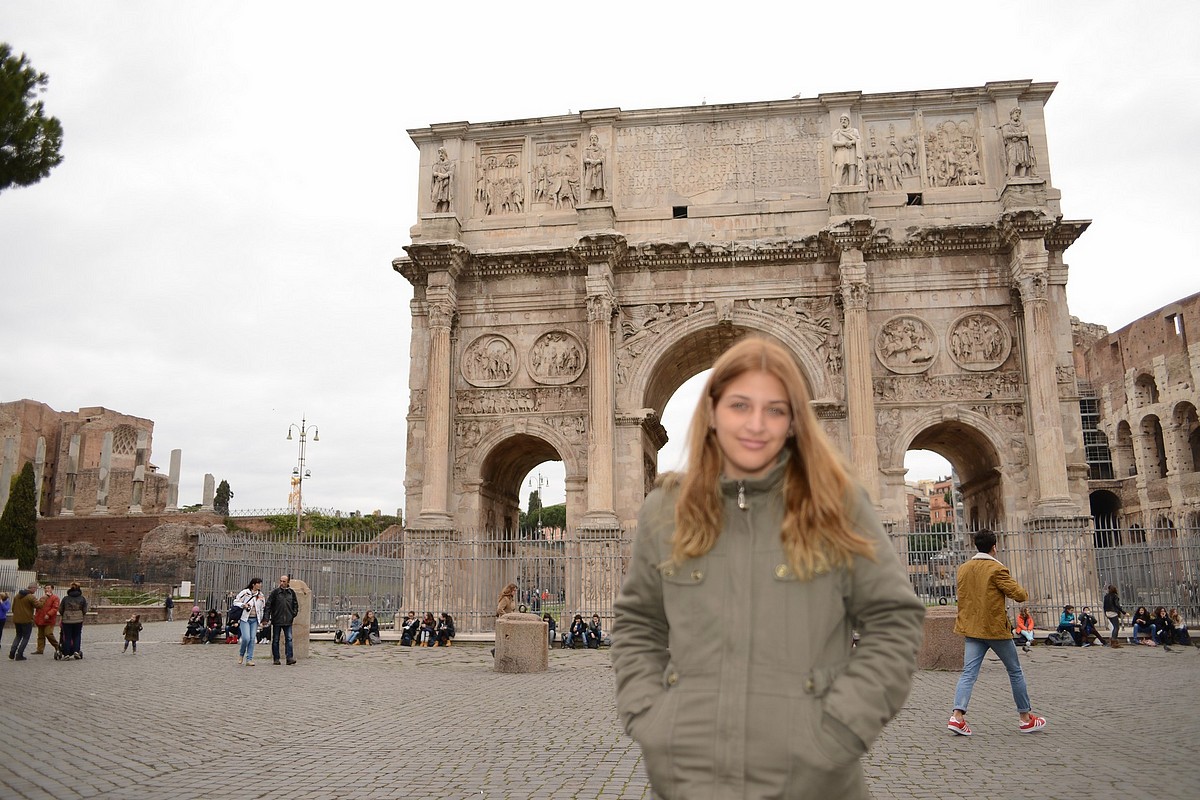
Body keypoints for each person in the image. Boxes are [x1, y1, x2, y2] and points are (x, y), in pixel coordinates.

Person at [612, 337, 925, 798]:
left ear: (795, 421)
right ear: (713, 412)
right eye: (740, 405)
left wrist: (840, 729)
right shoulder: (664, 510)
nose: (756, 424)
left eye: (775, 409)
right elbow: (638, 622)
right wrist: (651, 719)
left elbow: (894, 620)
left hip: (814, 784)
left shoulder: (837, 505)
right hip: (690, 782)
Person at [949, 529, 1047, 736]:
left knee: (968, 673)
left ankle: (957, 717)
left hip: (972, 629)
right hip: (995, 630)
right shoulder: (996, 569)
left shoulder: (964, 568)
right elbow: (1019, 595)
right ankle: (1025, 719)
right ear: (994, 547)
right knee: (1015, 671)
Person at [265, 574, 299, 665]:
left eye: (284, 581)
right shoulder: (275, 592)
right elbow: (268, 605)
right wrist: (267, 617)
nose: (282, 583)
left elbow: (295, 604)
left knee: (289, 639)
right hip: (277, 619)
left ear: (288, 582)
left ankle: (289, 658)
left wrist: (293, 614)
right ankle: (276, 658)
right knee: (276, 639)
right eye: (281, 581)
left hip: (288, 619)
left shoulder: (291, 592)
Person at [234, 578, 266, 666]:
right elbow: (235, 601)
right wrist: (243, 605)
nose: (260, 585)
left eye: (260, 583)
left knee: (252, 639)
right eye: (258, 583)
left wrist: (262, 620)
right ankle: (241, 654)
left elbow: (262, 608)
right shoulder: (245, 592)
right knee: (246, 638)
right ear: (253, 584)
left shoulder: (261, 595)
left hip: (255, 620)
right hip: (245, 619)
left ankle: (249, 659)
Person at [8, 583, 42, 661]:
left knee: (18, 635)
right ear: (32, 588)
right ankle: (19, 654)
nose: (36, 590)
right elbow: (39, 606)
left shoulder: (17, 596)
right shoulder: (30, 596)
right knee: (26, 637)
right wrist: (45, 599)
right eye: (36, 589)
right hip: (26, 620)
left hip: (17, 619)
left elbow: (13, 608)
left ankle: (12, 652)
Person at [1000, 106, 1036, 179]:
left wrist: (1020, 135)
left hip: (1023, 145)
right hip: (1012, 146)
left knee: (1024, 161)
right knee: (1013, 160)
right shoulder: (1007, 125)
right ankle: (1011, 177)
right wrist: (1018, 134)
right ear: (1011, 115)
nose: (1017, 115)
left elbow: (1027, 133)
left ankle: (1022, 178)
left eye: (1019, 113)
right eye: (1016, 113)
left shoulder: (1022, 125)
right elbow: (1005, 134)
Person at [831, 114, 864, 187]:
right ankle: (838, 183)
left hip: (851, 151)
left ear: (848, 121)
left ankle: (851, 185)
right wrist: (844, 143)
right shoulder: (837, 132)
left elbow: (859, 140)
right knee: (840, 166)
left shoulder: (854, 131)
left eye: (845, 119)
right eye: (841, 120)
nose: (843, 121)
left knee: (851, 167)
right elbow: (834, 142)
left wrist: (852, 142)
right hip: (841, 150)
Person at [59, 582, 88, 659]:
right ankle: (76, 651)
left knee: (67, 636)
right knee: (77, 635)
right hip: (78, 619)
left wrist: (64, 615)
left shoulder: (66, 598)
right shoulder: (82, 598)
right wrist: (81, 615)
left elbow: (61, 609)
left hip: (67, 619)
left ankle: (66, 653)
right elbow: (85, 610)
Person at [33, 583, 61, 655]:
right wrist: (36, 617)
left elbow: (55, 608)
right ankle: (40, 649)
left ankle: (57, 646)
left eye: (48, 588)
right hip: (40, 619)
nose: (47, 590)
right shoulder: (42, 598)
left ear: (52, 589)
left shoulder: (55, 598)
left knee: (48, 634)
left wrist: (49, 614)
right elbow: (38, 607)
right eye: (46, 588)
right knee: (40, 635)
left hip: (49, 620)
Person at [431, 146, 454, 213]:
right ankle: (435, 211)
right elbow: (434, 172)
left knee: (445, 198)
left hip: (445, 183)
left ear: (445, 153)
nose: (440, 155)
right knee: (435, 197)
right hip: (438, 183)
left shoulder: (450, 163)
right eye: (439, 153)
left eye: (441, 153)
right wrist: (438, 174)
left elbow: (451, 172)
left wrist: (444, 175)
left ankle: (443, 213)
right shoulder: (436, 164)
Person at [1103, 585, 1125, 649]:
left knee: (1114, 627)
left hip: (1107, 612)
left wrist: (1105, 613)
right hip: (1113, 612)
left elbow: (1104, 605)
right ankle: (1114, 641)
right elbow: (1117, 605)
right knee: (1116, 627)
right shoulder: (1115, 596)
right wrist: (1124, 612)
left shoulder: (1106, 596)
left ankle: (1113, 640)